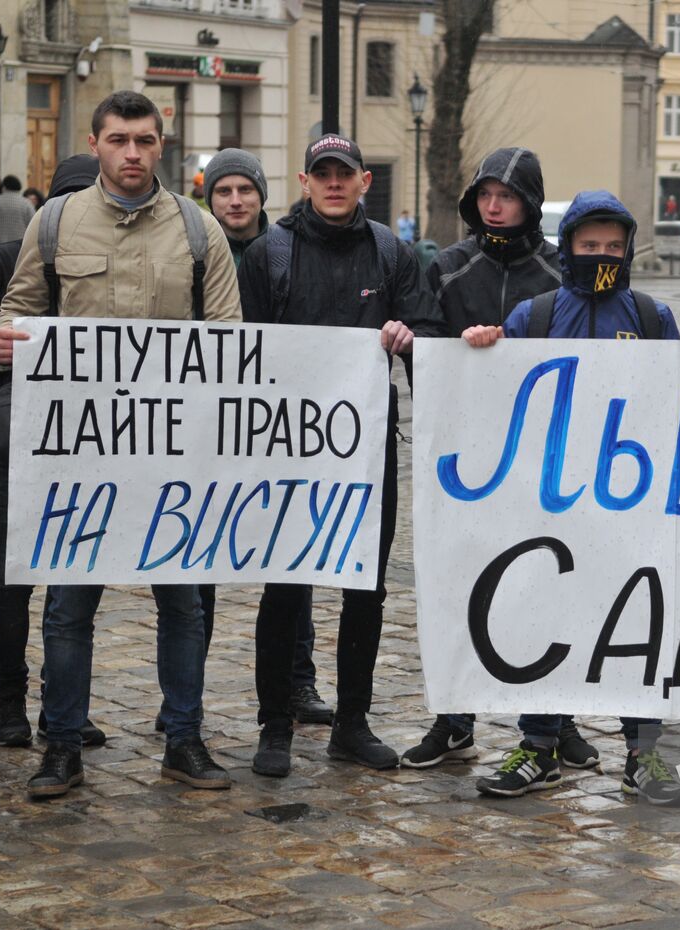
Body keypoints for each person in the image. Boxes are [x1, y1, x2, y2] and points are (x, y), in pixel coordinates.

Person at [0, 91, 243, 800]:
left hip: (173, 459)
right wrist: (8, 340)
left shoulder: (198, 230)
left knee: (183, 606)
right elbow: (19, 311)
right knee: (69, 608)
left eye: (144, 140)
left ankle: (184, 740)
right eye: (118, 140)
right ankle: (61, 746)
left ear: (161, 145)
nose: (132, 152)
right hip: (82, 459)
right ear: (95, 144)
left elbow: (228, 335)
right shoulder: (54, 222)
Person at [458, 190, 680, 806]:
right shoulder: (533, 316)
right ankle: (539, 747)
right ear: (570, 248)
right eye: (590, 245)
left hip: (630, 506)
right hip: (550, 504)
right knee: (545, 617)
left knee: (637, 622)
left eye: (613, 246)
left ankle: (643, 754)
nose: (602, 255)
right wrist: (480, 347)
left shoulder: (652, 317)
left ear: (628, 250)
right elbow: (496, 395)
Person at [237, 133, 443, 778]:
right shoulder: (270, 253)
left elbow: (428, 335)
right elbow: (239, 352)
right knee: (283, 584)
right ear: (304, 182)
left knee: (366, 589)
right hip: (285, 446)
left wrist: (410, 338)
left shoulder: (390, 252)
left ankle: (352, 723)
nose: (333, 183)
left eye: (344, 173)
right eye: (322, 173)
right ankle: (275, 724)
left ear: (362, 182)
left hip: (366, 449)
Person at [402, 147, 600, 771]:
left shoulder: (558, 271)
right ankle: (453, 718)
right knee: (458, 582)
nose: (493, 206)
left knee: (549, 582)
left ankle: (556, 722)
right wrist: (437, 345)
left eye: (507, 196)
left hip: (546, 456)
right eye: (486, 194)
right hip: (466, 455)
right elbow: (426, 345)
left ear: (530, 203)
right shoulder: (449, 267)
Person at [0, 156, 109, 750]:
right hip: (18, 441)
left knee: (73, 581)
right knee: (12, 578)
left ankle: (63, 707)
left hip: (91, 441)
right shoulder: (2, 263)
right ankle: (11, 703)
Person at [198, 147, 333, 726]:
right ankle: (186, 693)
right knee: (195, 565)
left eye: (245, 190)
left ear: (261, 195)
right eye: (224, 191)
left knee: (292, 562)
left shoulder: (286, 248)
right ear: (210, 199)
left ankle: (298, 682)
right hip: (208, 424)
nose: (235, 201)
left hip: (280, 423)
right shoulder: (194, 251)